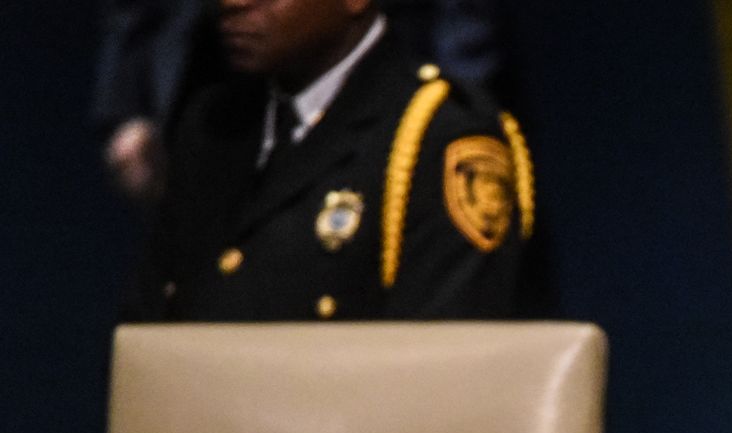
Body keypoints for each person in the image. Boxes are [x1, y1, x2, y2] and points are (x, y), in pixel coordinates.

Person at [127, 0, 531, 321]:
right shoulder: (212, 126)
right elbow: (147, 333)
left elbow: (438, 374)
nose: (234, 3)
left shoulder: (440, 138)